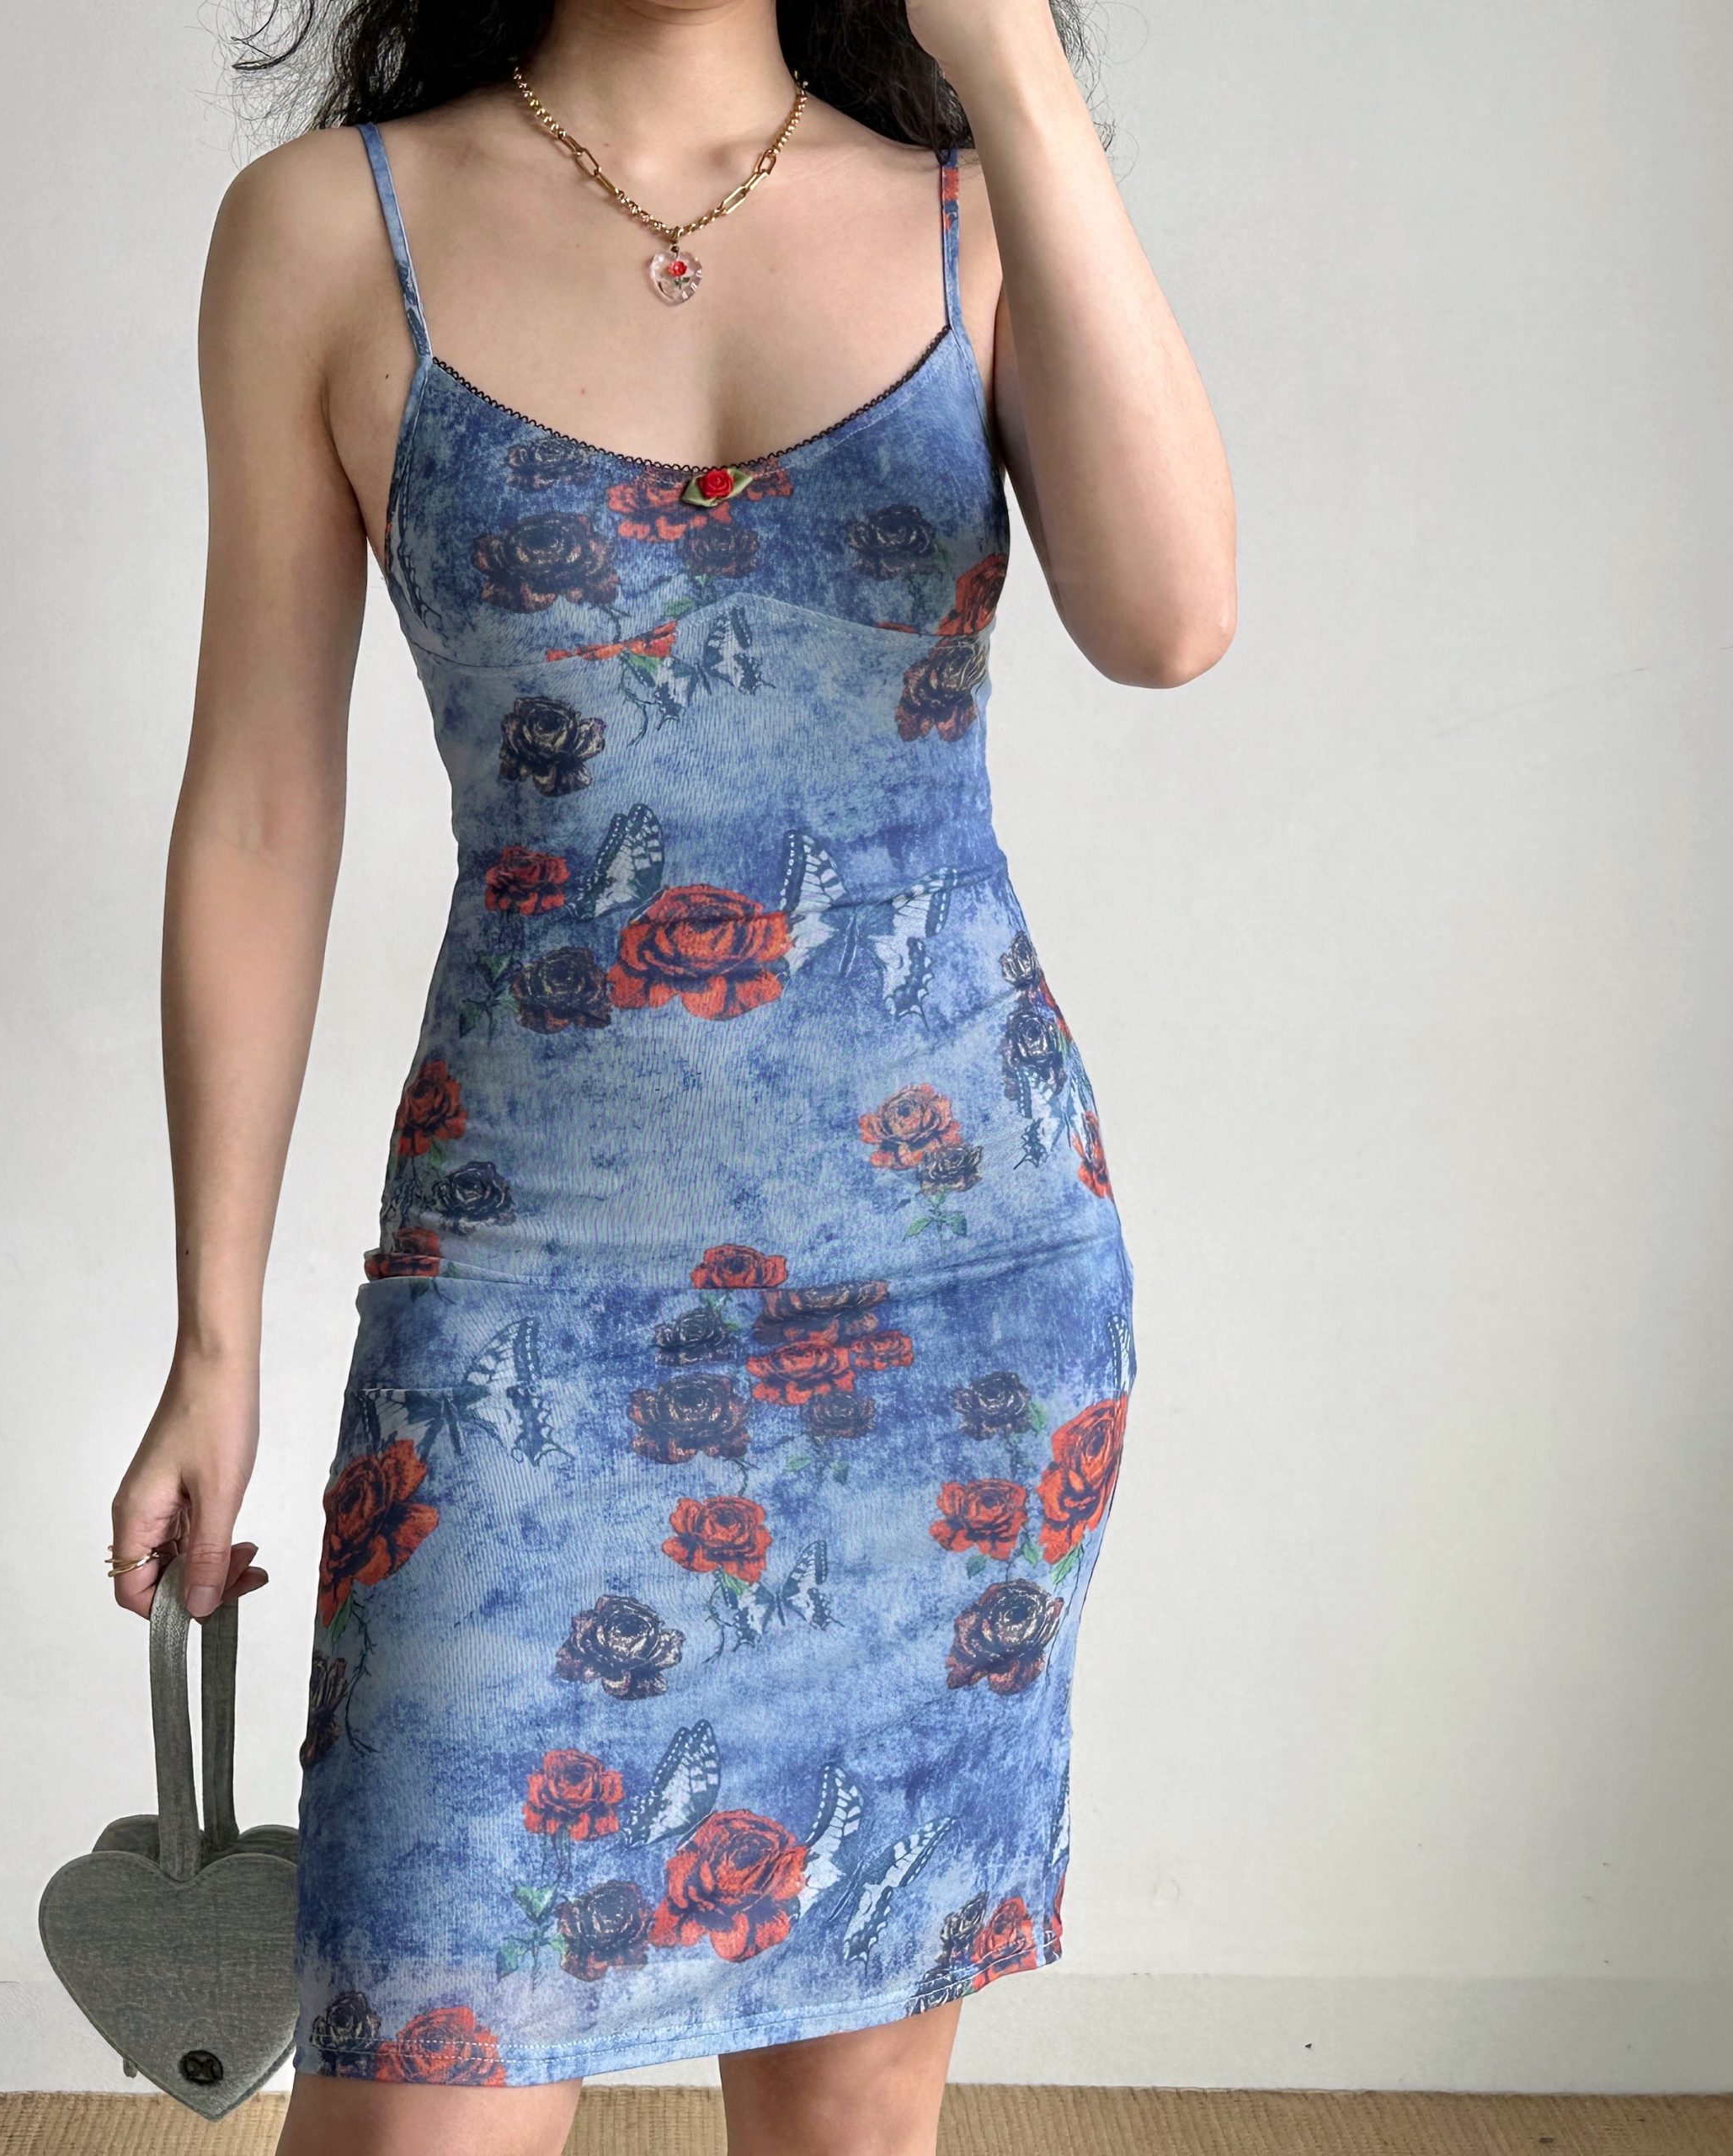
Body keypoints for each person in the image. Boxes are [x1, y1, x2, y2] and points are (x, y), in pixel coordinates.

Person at [111, 2, 1234, 2148]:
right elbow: (257, 802)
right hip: (520, 1312)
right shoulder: (326, 233)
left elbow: (1169, 614)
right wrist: (213, 1339)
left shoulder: (975, 214)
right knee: (413, 2104)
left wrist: (1010, 63)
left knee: (844, 2116)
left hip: (950, 1312)